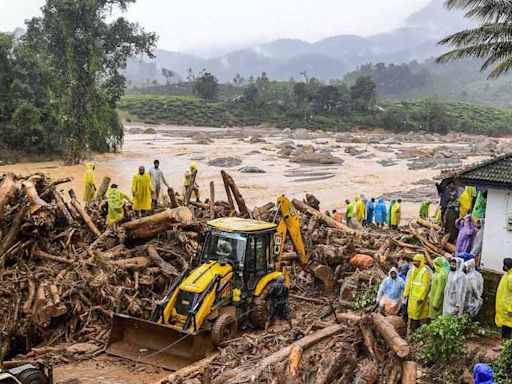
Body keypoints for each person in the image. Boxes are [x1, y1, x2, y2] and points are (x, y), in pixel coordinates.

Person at [403, 254, 431, 333]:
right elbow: (409, 282)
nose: (415, 263)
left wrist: (421, 297)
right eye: (414, 261)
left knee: (417, 314)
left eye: (417, 261)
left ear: (421, 261)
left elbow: (425, 286)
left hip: (419, 298)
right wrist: (406, 293)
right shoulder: (413, 270)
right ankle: (412, 330)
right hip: (412, 296)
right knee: (411, 314)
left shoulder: (424, 271)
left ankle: (417, 330)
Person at [496, 258, 512, 340]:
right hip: (504, 308)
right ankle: (504, 344)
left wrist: (510, 309)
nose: (503, 267)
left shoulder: (511, 277)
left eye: (505, 265)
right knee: (504, 326)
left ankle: (505, 345)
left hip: (507, 309)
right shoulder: (507, 274)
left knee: (507, 327)